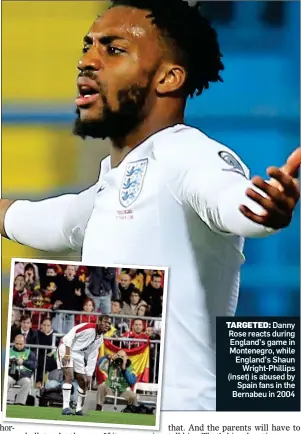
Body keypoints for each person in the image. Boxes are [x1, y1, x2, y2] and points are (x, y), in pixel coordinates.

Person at [0, 0, 300, 410]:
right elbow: (45, 220)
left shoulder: (187, 155)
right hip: (120, 413)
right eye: (87, 45)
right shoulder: (112, 184)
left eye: (113, 49)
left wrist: (265, 209)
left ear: (168, 77)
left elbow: (228, 199)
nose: (87, 61)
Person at [56, 315, 112, 416]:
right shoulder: (88, 327)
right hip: (66, 348)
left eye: (109, 324)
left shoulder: (100, 339)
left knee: (84, 382)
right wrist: (67, 354)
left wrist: (89, 374)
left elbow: (93, 356)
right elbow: (70, 335)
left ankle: (78, 409)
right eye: (105, 322)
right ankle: (66, 407)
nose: (107, 325)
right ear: (98, 321)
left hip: (78, 354)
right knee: (69, 376)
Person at [7, 334, 37, 405]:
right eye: (17, 343)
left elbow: (34, 365)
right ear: (14, 342)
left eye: (21, 344)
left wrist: (23, 362)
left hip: (23, 376)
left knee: (27, 382)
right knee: (5, 380)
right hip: (10, 375)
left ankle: (19, 403)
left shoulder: (29, 353)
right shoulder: (8, 351)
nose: (19, 346)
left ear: (24, 343)